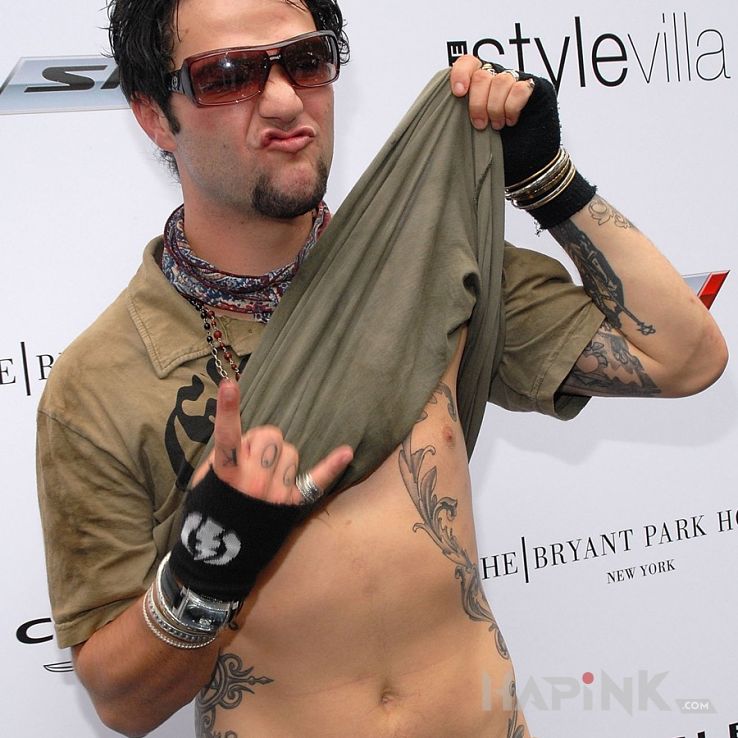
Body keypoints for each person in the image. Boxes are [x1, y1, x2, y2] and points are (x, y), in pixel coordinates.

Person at [35, 0, 727, 737]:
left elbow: (685, 356)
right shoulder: (99, 387)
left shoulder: (428, 272)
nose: (283, 101)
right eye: (229, 75)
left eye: (306, 61)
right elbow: (124, 703)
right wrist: (210, 566)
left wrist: (548, 182)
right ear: (152, 114)